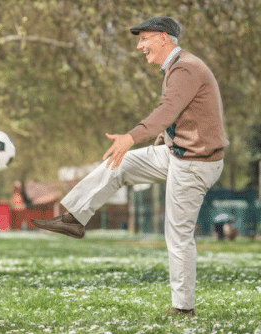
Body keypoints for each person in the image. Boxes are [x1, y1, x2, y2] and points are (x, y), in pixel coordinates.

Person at [32, 17, 228, 317]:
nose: (140, 46)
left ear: (163, 38)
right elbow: (182, 115)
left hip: (195, 163)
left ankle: (183, 308)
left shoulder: (186, 68)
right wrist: (161, 140)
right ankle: (74, 218)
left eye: (144, 39)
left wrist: (131, 137)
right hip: (177, 154)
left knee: (177, 234)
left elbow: (168, 110)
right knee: (119, 163)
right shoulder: (178, 67)